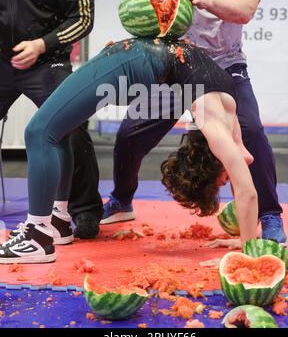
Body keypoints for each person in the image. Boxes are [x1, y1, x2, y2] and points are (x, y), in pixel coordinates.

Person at [100, 0, 286, 245]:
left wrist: (205, 0)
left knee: (252, 131)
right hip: (179, 62)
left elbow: (244, 10)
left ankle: (270, 214)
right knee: (129, 133)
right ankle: (122, 199)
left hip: (224, 63)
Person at [0, 36, 258, 263]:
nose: (227, 183)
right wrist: (248, 253)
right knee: (40, 132)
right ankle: (38, 236)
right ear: (211, 164)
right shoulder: (214, 125)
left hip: (139, 55)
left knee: (58, 129)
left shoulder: (227, 118)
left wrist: (247, 240)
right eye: (221, 184)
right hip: (128, 61)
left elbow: (244, 161)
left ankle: (56, 222)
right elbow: (247, 192)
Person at [0, 0, 102, 239]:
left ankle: (84, 211)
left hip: (48, 63)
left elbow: (83, 19)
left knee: (70, 129)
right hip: (2, 63)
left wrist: (42, 45)